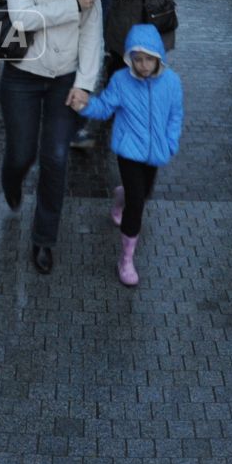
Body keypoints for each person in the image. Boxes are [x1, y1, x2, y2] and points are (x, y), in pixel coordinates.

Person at [1, 0, 104, 275]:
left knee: (57, 158)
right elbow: (22, 17)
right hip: (22, 75)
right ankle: (11, 180)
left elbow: (94, 30)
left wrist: (86, 83)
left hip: (65, 77)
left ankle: (44, 239)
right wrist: (73, 5)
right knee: (21, 154)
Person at [78, 24, 183, 288]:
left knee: (142, 193)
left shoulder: (171, 82)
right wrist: (85, 105)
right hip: (129, 152)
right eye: (138, 59)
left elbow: (175, 115)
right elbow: (104, 108)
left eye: (149, 59)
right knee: (137, 205)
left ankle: (120, 197)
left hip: (156, 152)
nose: (144, 65)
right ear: (129, 58)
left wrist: (171, 142)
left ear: (158, 55)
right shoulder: (121, 81)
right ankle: (126, 259)